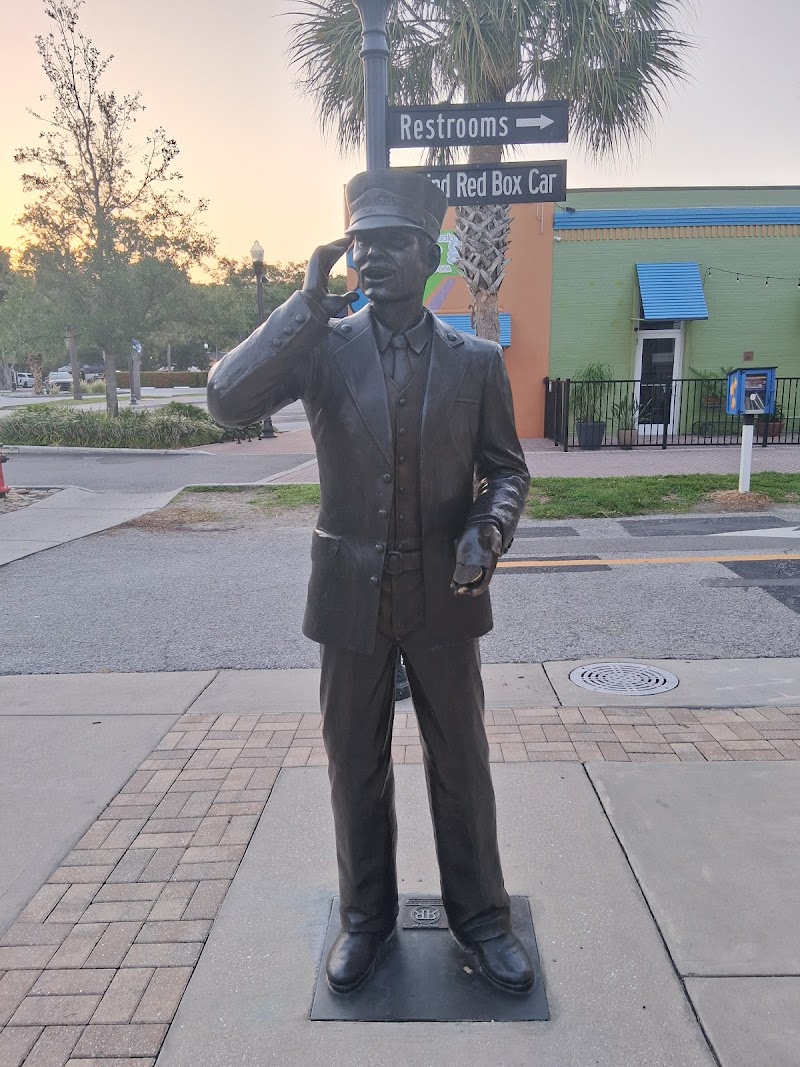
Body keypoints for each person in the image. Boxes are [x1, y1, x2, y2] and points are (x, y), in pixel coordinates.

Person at [207, 170, 533, 996]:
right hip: (349, 594)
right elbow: (224, 399)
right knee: (354, 761)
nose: (372, 258)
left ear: (429, 255)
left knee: (462, 762)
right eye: (361, 244)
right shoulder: (320, 347)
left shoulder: (476, 363)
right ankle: (365, 917)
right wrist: (302, 306)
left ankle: (482, 919)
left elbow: (506, 470)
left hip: (445, 597)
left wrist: (487, 530)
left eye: (391, 243)